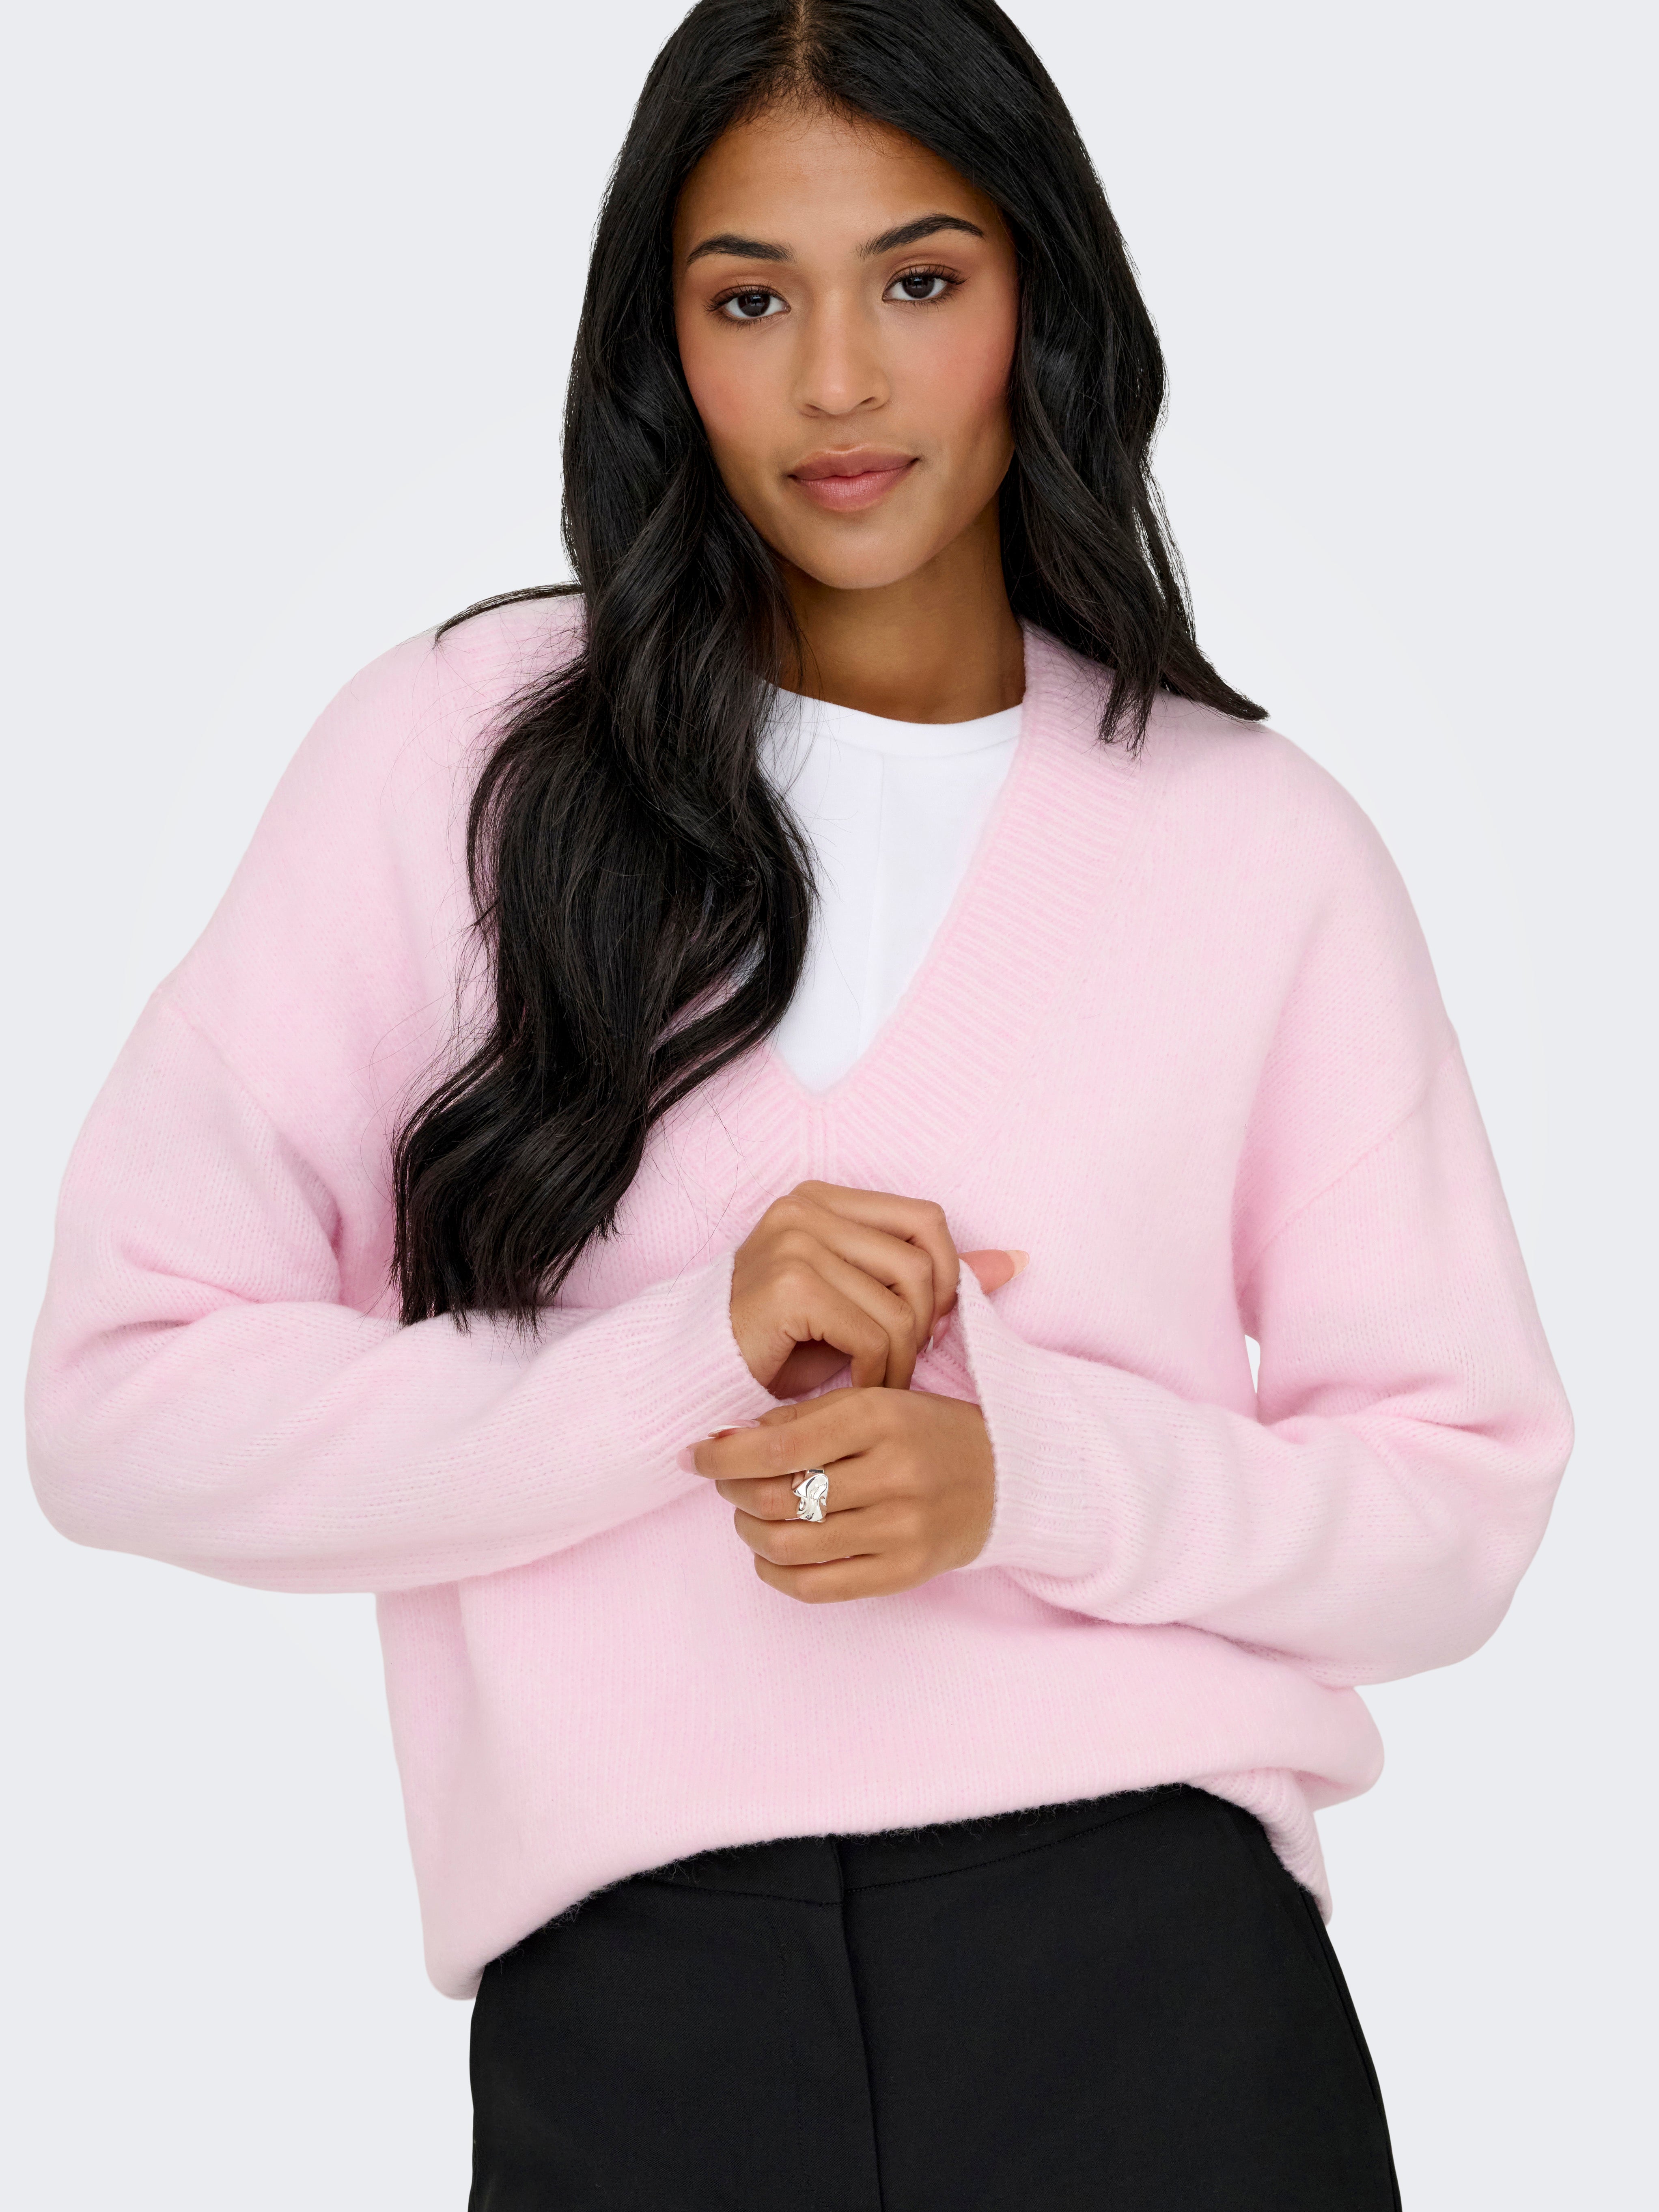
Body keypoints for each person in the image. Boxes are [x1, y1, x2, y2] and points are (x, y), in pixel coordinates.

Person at [25, 2, 1572, 2205]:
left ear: (1041, 301)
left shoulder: (1256, 844)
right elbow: (120, 1395)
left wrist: (1024, 1477)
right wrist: (684, 1360)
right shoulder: (466, 765)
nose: (839, 382)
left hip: (1154, 1986)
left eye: (918, 281)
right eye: (751, 300)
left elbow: (1454, 1506)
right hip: (637, 2019)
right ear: (662, 347)